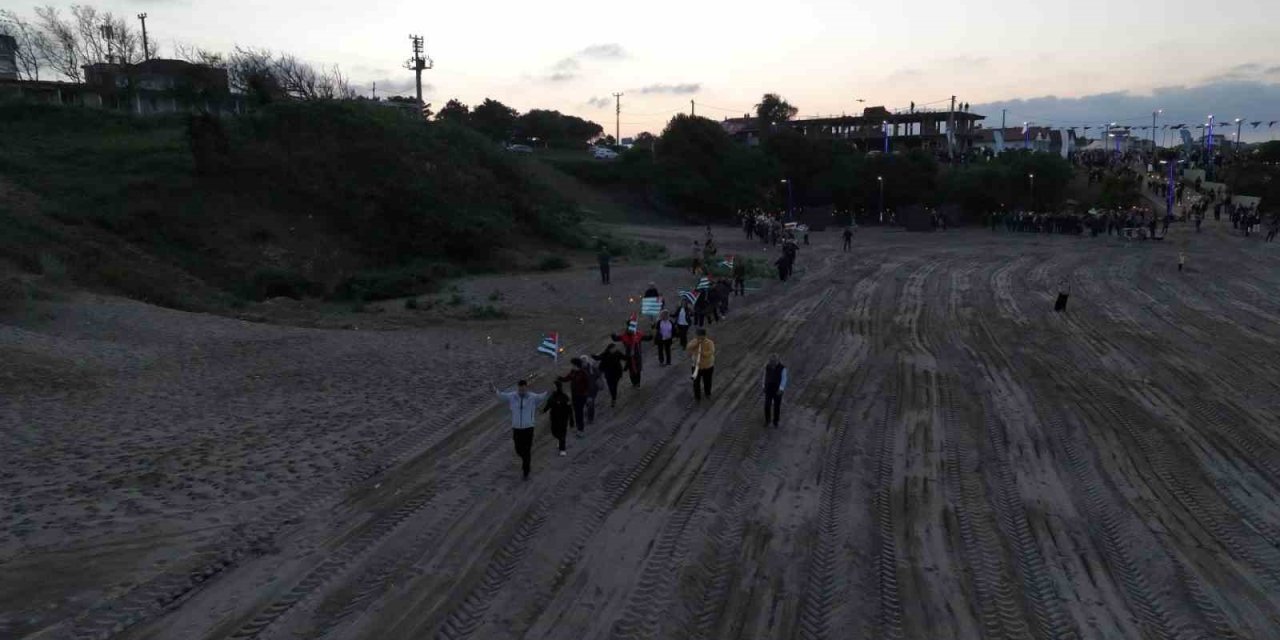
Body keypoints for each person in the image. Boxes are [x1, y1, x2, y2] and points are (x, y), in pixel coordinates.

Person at [492, 379, 547, 480]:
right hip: (517, 428)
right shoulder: (512, 396)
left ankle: (526, 471)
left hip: (529, 428)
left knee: (527, 450)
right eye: (520, 390)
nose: (521, 392)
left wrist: (551, 388)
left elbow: (543, 396)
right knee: (518, 449)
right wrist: (494, 390)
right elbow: (501, 396)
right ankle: (526, 461)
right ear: (518, 388)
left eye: (523, 389)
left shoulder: (533, 397)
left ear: (526, 388)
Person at [556, 358, 591, 437]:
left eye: (572, 364)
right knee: (577, 413)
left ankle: (581, 430)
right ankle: (579, 428)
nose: (571, 366)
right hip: (574, 396)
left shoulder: (583, 373)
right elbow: (567, 378)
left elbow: (588, 385)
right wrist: (559, 378)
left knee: (579, 413)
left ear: (576, 365)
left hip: (581, 396)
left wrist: (587, 396)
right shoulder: (573, 372)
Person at [542, 381, 574, 456]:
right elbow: (548, 404)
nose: (553, 388)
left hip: (563, 418)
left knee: (562, 433)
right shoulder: (552, 396)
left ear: (558, 387)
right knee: (554, 432)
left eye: (554, 386)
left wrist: (571, 419)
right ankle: (560, 440)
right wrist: (544, 410)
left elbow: (569, 408)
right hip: (554, 418)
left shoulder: (565, 397)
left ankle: (562, 449)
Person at [687, 328, 716, 402]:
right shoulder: (694, 341)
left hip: (708, 366)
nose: (697, 337)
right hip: (696, 366)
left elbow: (711, 352)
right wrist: (696, 344)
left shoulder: (709, 342)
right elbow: (688, 347)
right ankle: (697, 397)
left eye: (699, 336)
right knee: (696, 383)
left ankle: (708, 393)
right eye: (697, 336)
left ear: (703, 336)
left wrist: (702, 353)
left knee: (707, 381)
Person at [762, 354, 787, 427]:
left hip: (777, 389)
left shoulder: (783, 368)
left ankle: (775, 421)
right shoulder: (767, 367)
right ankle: (767, 420)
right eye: (771, 362)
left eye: (773, 362)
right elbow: (764, 376)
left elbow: (784, 379)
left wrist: (781, 389)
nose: (772, 364)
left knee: (777, 406)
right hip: (769, 388)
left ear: (777, 361)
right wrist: (763, 385)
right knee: (767, 405)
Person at [581, 355, 603, 429]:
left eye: (584, 361)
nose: (583, 363)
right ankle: (588, 411)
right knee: (587, 403)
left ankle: (590, 418)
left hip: (592, 390)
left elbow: (598, 375)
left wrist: (600, 383)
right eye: (582, 362)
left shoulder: (592, 369)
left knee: (591, 403)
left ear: (587, 361)